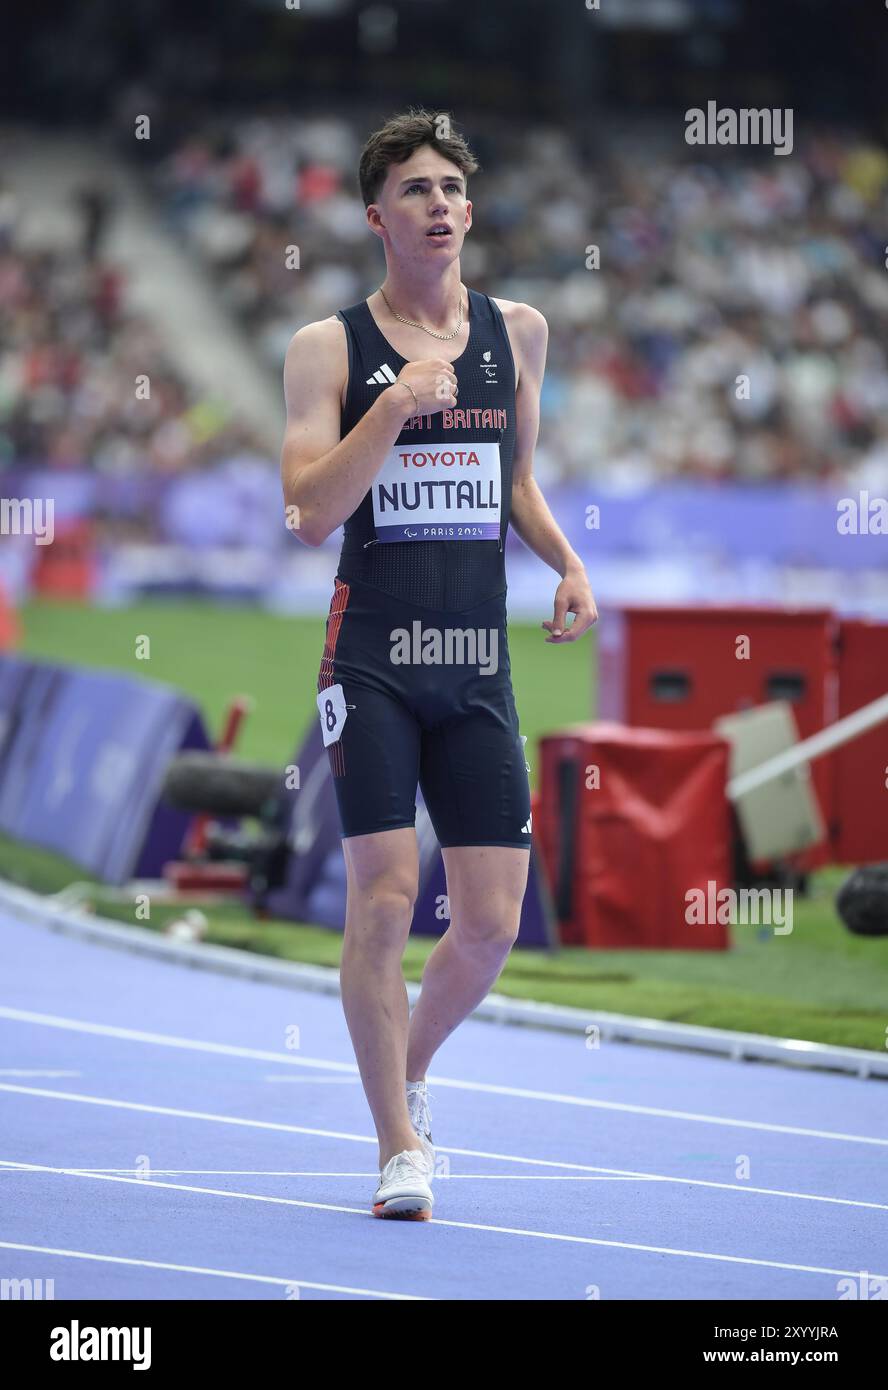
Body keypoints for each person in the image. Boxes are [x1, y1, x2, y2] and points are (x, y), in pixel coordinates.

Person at [280, 108, 597, 1220]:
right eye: (417, 190)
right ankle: (396, 1146)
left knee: (492, 920)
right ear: (378, 215)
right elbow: (307, 512)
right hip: (369, 657)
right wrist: (389, 411)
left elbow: (513, 482)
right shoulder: (328, 348)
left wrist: (565, 562)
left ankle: (404, 1071)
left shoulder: (520, 331)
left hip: (474, 661)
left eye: (454, 191)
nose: (442, 207)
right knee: (382, 900)